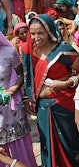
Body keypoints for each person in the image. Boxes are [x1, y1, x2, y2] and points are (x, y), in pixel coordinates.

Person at [25, 14, 79, 167]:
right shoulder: (32, 52)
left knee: (69, 145)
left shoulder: (63, 51)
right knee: (48, 148)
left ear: (49, 31)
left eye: (40, 33)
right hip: (43, 108)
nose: (36, 37)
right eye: (32, 33)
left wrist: (66, 83)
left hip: (63, 105)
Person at [0, 32, 37, 167]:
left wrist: (11, 90)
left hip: (10, 108)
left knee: (17, 142)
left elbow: (22, 75)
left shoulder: (9, 52)